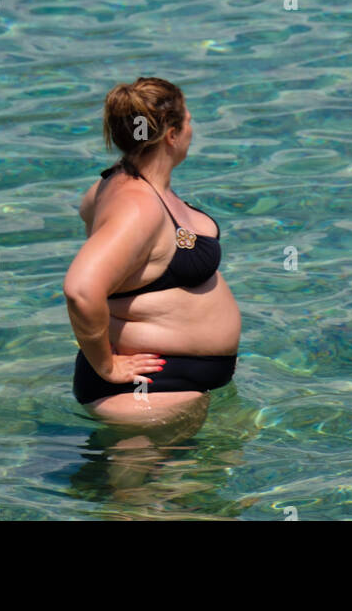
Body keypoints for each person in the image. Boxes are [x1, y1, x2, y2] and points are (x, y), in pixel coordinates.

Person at [64, 77, 241, 424]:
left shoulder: (113, 187)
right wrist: (106, 365)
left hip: (168, 387)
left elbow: (92, 215)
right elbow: (81, 290)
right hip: (144, 390)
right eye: (189, 121)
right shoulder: (137, 206)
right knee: (144, 481)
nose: (193, 129)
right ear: (172, 135)